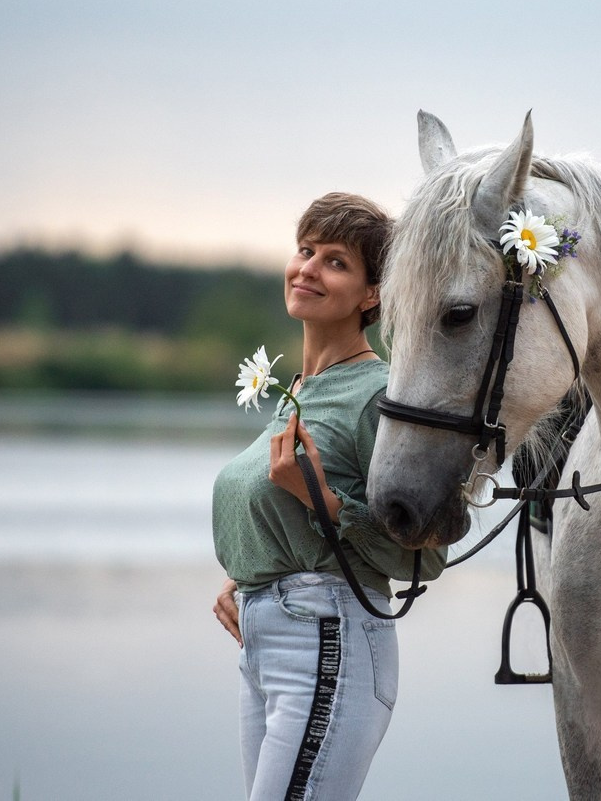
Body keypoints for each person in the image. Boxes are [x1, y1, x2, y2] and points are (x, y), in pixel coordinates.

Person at [211, 192, 447, 801]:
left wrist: (322, 500)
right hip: (268, 646)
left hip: (328, 640)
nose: (308, 268)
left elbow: (427, 554)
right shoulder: (302, 388)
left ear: (373, 295)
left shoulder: (376, 396)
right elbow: (279, 507)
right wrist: (249, 576)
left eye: (336, 261)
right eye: (305, 250)